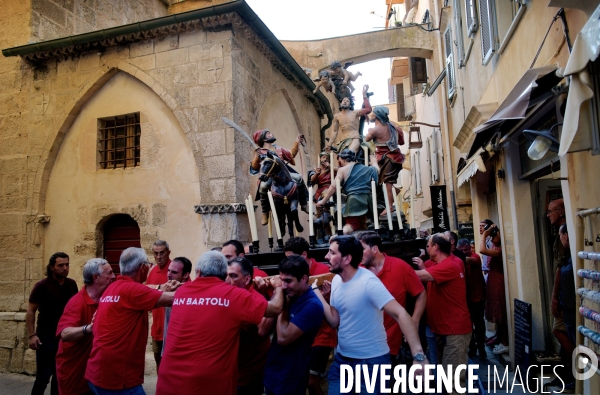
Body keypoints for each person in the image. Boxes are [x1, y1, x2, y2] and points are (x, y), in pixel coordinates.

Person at [156, 251, 284, 395]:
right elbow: (276, 308)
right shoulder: (233, 296)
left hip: (169, 380)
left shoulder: (181, 292)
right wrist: (278, 287)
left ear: (198, 272)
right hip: (207, 383)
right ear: (224, 273)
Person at [313, 235, 427, 394]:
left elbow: (400, 313)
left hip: (371, 363)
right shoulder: (337, 280)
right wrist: (317, 295)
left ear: (346, 259)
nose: (326, 256)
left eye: (332, 253)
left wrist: (419, 357)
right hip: (343, 360)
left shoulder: (368, 282)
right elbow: (334, 321)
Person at [85, 247, 179, 394]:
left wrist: (161, 288)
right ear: (142, 267)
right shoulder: (133, 290)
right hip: (118, 378)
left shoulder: (112, 288)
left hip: (97, 371)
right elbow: (175, 299)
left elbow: (145, 292)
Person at [415, 233, 472, 392]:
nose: (427, 247)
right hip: (443, 330)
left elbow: (420, 276)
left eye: (428, 245)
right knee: (444, 377)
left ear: (436, 247)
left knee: (452, 382)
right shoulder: (447, 262)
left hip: (455, 331)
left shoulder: (450, 265)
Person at [357, 231, 426, 360]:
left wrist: (414, 321)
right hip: (362, 345)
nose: (358, 253)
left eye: (362, 249)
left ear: (375, 249)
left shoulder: (400, 267)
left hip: (391, 344)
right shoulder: (357, 270)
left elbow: (421, 293)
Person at [264, 255, 325, 395]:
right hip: (272, 371)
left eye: (288, 281)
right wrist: (276, 296)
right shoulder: (285, 294)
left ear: (303, 279)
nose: (284, 286)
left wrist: (281, 305)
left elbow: (283, 338)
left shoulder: (312, 305)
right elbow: (262, 330)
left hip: (291, 376)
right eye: (281, 280)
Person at [284, 237, 336, 395]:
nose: (289, 262)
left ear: (304, 254)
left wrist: (328, 296)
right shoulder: (290, 273)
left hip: (323, 334)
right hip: (301, 333)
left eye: (292, 257)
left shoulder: (325, 272)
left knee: (311, 382)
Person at [55, 259, 115, 395]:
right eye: (109, 273)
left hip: (95, 375)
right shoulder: (77, 303)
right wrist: (89, 328)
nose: (114, 276)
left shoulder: (106, 297)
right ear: (96, 278)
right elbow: (64, 334)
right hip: (75, 376)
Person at [27, 252, 78, 395]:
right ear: (51, 267)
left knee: (59, 377)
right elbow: (31, 311)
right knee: (42, 378)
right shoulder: (42, 286)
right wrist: (32, 335)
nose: (65, 268)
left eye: (67, 264)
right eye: (60, 265)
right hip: (45, 338)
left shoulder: (72, 285)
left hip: (63, 338)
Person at [225, 256, 272, 395]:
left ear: (246, 279)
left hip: (247, 376)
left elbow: (262, 329)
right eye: (226, 275)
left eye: (233, 276)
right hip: (233, 372)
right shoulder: (229, 296)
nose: (228, 280)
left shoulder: (254, 299)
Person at [250, 129, 308, 225]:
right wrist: (257, 157)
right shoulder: (259, 152)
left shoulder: (278, 149)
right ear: (263, 138)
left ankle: (304, 204)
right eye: (268, 134)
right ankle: (265, 212)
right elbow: (254, 167)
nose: (271, 134)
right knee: (263, 187)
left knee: (298, 178)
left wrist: (296, 142)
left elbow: (290, 154)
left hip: (284, 174)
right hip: (270, 176)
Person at [316, 149, 378, 234]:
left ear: (344, 159)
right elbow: (376, 171)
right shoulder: (368, 169)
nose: (340, 163)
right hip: (368, 201)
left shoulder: (342, 170)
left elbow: (334, 186)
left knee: (350, 225)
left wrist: (323, 201)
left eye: (340, 160)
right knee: (365, 223)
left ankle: (341, 235)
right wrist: (374, 162)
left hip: (354, 201)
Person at [364, 106, 405, 216]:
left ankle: (389, 206)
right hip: (396, 157)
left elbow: (366, 139)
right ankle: (393, 193)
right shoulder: (394, 127)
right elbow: (402, 142)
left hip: (387, 158)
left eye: (373, 113)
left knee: (387, 183)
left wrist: (369, 131)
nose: (371, 115)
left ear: (377, 115)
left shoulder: (376, 129)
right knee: (385, 181)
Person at [479, 224, 509, 355]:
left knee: (499, 310)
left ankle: (505, 342)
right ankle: (499, 337)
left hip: (498, 281)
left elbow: (482, 250)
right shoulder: (495, 247)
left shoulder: (499, 250)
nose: (491, 238)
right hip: (493, 279)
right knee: (496, 312)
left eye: (494, 235)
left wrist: (484, 235)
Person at [456, 238, 487, 359]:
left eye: (466, 250)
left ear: (470, 248)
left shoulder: (475, 257)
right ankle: (473, 347)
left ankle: (481, 347)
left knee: (479, 323)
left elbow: (472, 260)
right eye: (461, 250)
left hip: (477, 296)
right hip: (466, 297)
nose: (464, 252)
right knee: (469, 324)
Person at [145, 240, 171, 371]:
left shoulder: (175, 268)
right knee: (158, 362)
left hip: (171, 329)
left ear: (168, 253)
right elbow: (147, 294)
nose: (159, 257)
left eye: (162, 253)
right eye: (156, 253)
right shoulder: (153, 271)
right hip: (157, 329)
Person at [329, 85, 371, 154]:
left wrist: (364, 95)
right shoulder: (337, 116)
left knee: (349, 154)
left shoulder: (355, 113)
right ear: (340, 103)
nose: (345, 102)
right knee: (341, 159)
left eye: (347, 101)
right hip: (343, 141)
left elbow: (368, 110)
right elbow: (334, 132)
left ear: (350, 105)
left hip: (354, 138)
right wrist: (329, 144)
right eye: (343, 100)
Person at [162, 257, 192, 354]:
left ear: (186, 275)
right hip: (168, 345)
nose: (168, 275)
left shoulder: (190, 293)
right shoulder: (168, 287)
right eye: (168, 270)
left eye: (174, 272)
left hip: (182, 349)